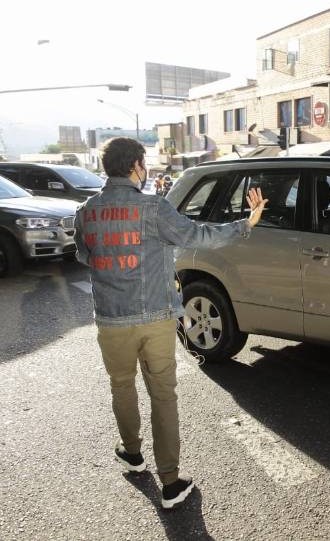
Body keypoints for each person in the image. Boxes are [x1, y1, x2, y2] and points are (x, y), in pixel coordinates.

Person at [74, 137, 267, 510]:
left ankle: (132, 454)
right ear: (136, 166)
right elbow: (199, 235)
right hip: (156, 319)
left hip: (111, 320)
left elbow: (85, 254)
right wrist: (247, 223)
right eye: (144, 165)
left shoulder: (87, 210)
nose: (145, 171)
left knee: (121, 387)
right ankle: (171, 481)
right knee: (163, 396)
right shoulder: (152, 208)